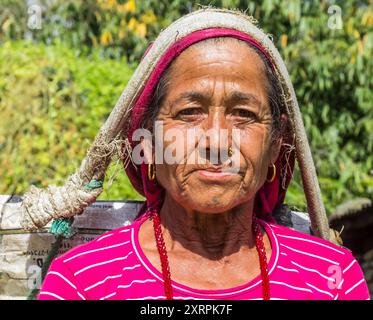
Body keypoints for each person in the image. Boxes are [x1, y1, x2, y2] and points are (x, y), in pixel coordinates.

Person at [37, 8, 369, 300]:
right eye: (189, 112)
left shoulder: (331, 280)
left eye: (244, 114)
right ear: (147, 142)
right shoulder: (83, 282)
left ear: (275, 145)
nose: (216, 140)